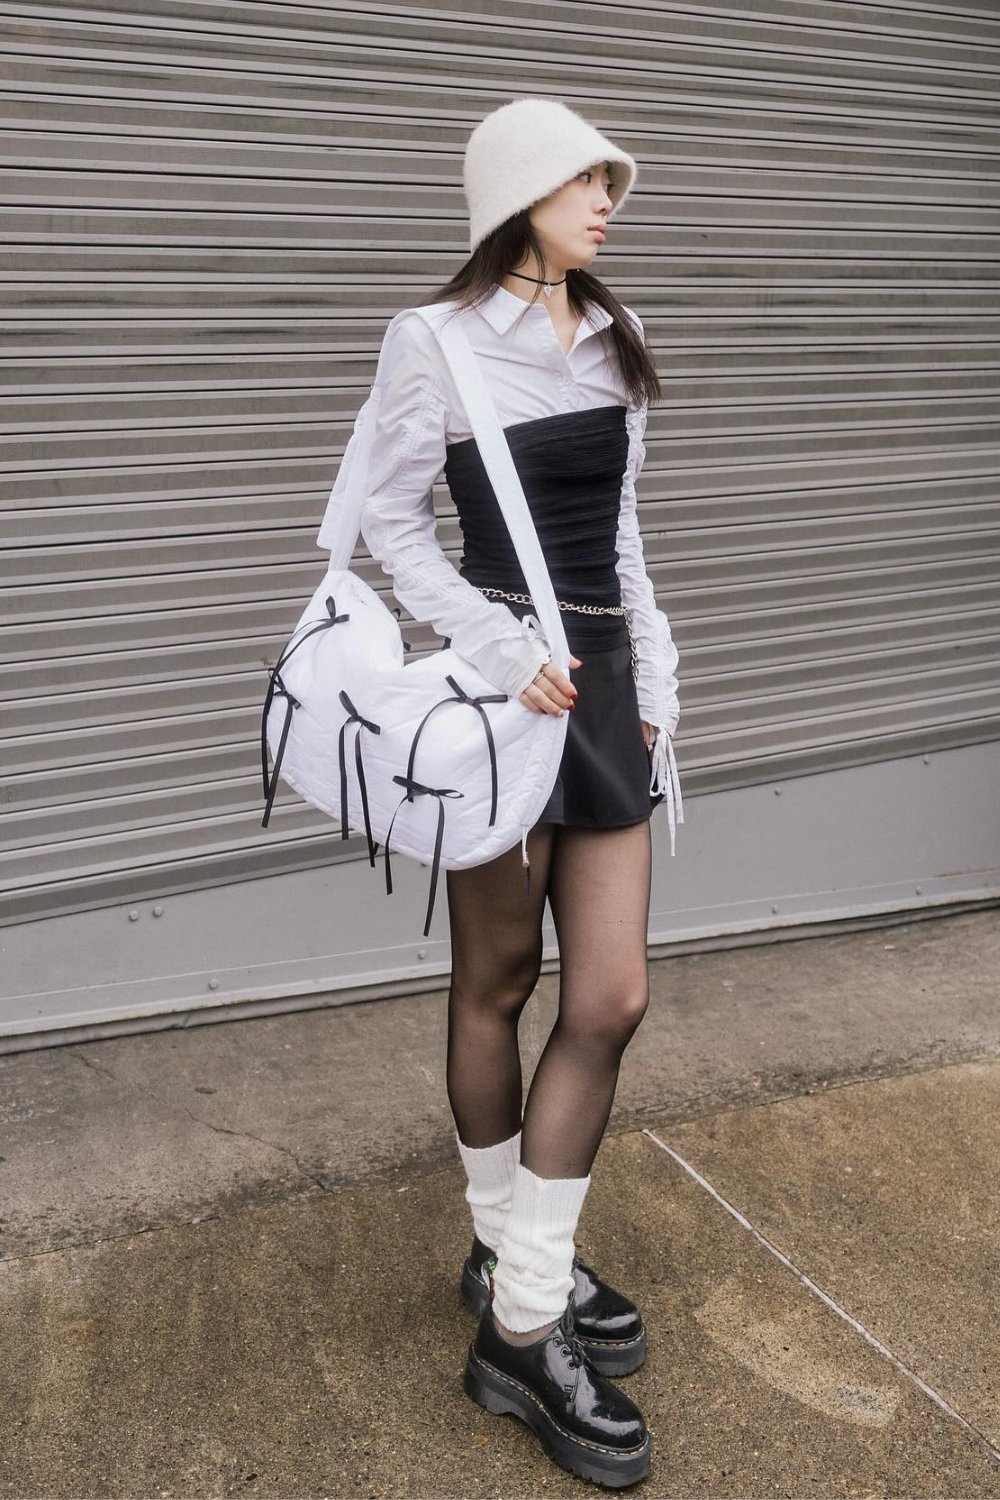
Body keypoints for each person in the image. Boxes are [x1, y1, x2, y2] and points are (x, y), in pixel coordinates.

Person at [342, 97, 682, 1488]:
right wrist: (498, 647)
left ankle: (522, 1297)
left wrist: (656, 685)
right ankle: (514, 1288)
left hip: (602, 697)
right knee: (495, 985)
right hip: (501, 702)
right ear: (513, 197)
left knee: (609, 996)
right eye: (580, 179)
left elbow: (627, 537)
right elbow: (383, 521)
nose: (606, 198)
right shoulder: (434, 341)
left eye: (609, 178)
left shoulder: (612, 336)